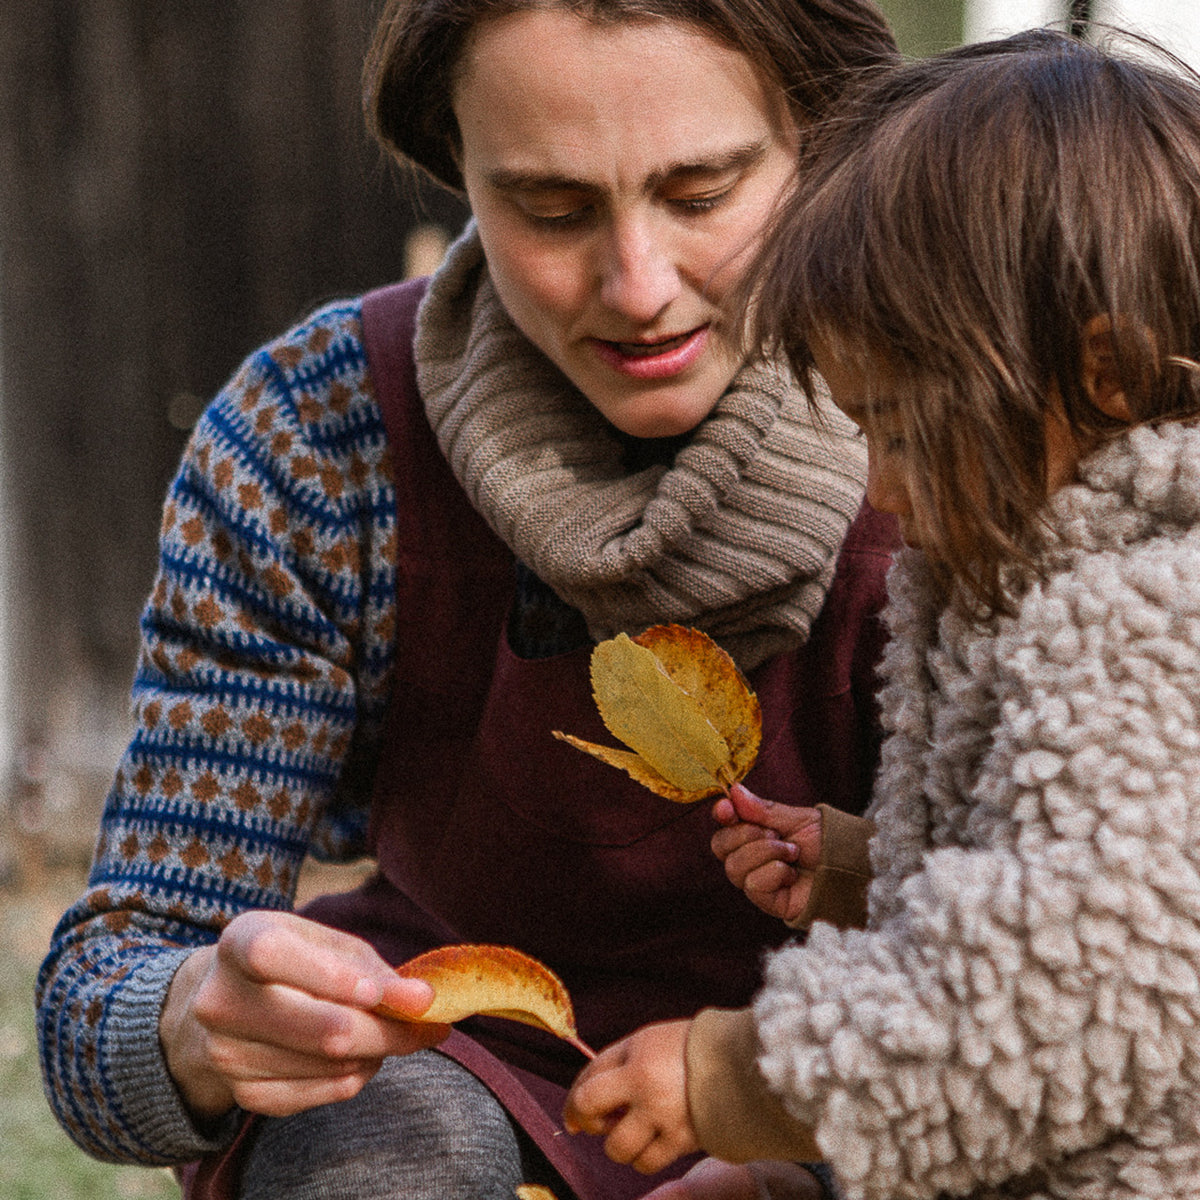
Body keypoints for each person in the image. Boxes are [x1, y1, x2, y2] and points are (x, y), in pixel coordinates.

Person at [35, 1, 901, 1198]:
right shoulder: (318, 436)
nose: (638, 286)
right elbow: (101, 1009)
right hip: (451, 1085)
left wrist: (811, 1172)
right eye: (551, 210)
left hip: (895, 1080)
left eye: (702, 195)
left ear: (823, 135)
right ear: (456, 164)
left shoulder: (979, 413)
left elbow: (1106, 960)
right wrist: (191, 1020)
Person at [564, 25, 1200, 1200]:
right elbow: (1076, 876)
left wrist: (734, 1080)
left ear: (1105, 379)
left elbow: (1055, 995)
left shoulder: (1148, 628)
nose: (880, 485)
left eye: (902, 429)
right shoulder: (1020, 586)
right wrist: (864, 868)